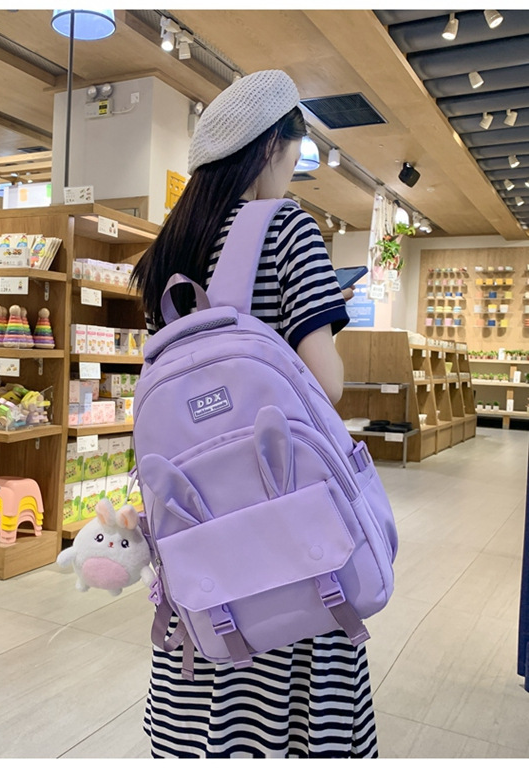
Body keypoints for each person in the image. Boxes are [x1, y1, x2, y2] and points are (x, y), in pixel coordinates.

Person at [130, 70, 376, 758]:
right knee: (293, 682)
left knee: (212, 667)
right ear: (273, 146)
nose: (293, 171)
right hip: (285, 513)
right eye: (295, 155)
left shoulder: (169, 250)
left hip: (197, 520)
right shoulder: (288, 229)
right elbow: (325, 384)